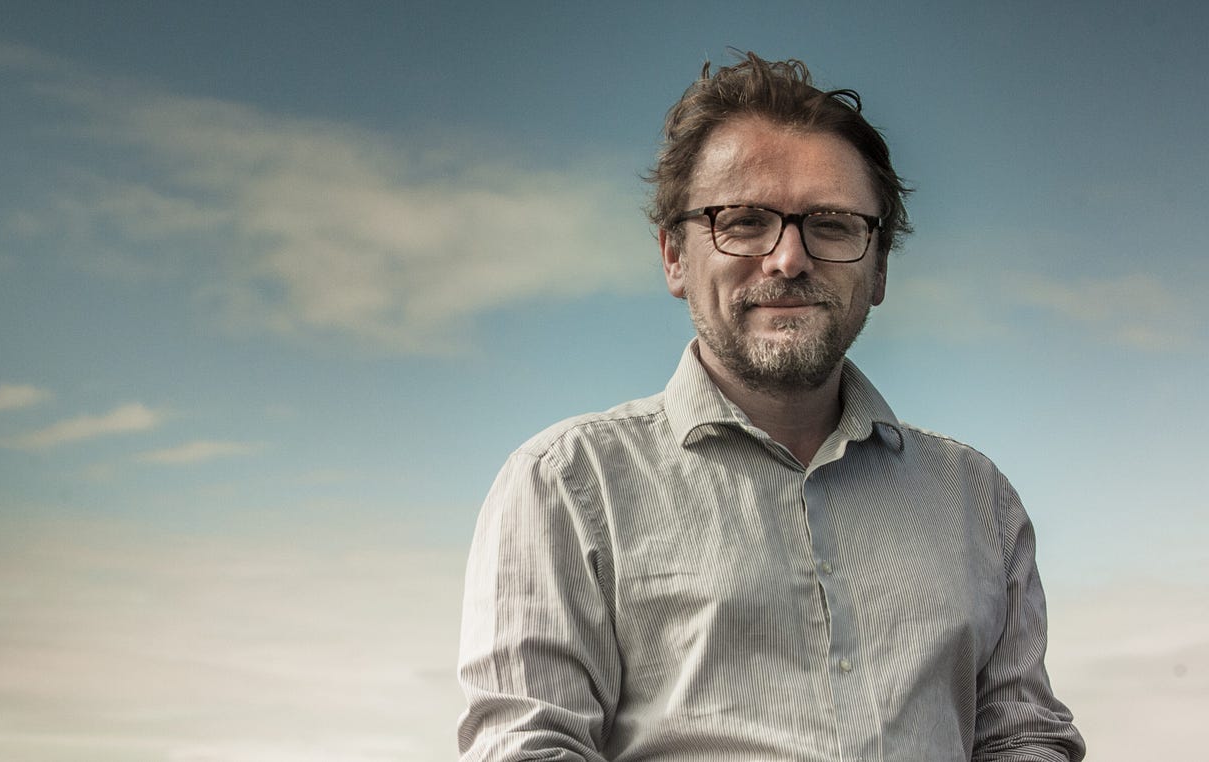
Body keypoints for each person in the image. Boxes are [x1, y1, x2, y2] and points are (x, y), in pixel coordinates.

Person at [457, 53, 1085, 762]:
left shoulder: (979, 501)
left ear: (879, 269)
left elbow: (1022, 736)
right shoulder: (565, 485)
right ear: (672, 255)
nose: (789, 258)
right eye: (746, 221)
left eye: (833, 224)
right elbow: (529, 747)